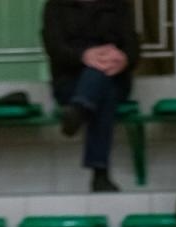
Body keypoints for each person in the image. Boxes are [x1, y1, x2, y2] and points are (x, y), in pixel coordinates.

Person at [41, 0, 140, 193]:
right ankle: (100, 175)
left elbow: (133, 48)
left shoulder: (119, 5)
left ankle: (79, 109)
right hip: (71, 83)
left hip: (114, 76)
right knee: (102, 87)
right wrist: (84, 56)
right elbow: (54, 47)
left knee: (101, 79)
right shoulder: (56, 5)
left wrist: (124, 59)